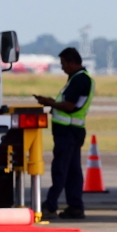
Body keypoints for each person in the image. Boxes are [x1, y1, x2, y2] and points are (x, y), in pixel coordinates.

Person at [34, 48, 94, 220]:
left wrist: (49, 103)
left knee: (60, 169)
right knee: (73, 170)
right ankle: (75, 206)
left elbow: (69, 106)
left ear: (72, 62)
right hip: (72, 131)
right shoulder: (78, 78)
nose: (62, 68)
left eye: (63, 64)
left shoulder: (80, 80)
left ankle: (51, 204)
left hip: (68, 132)